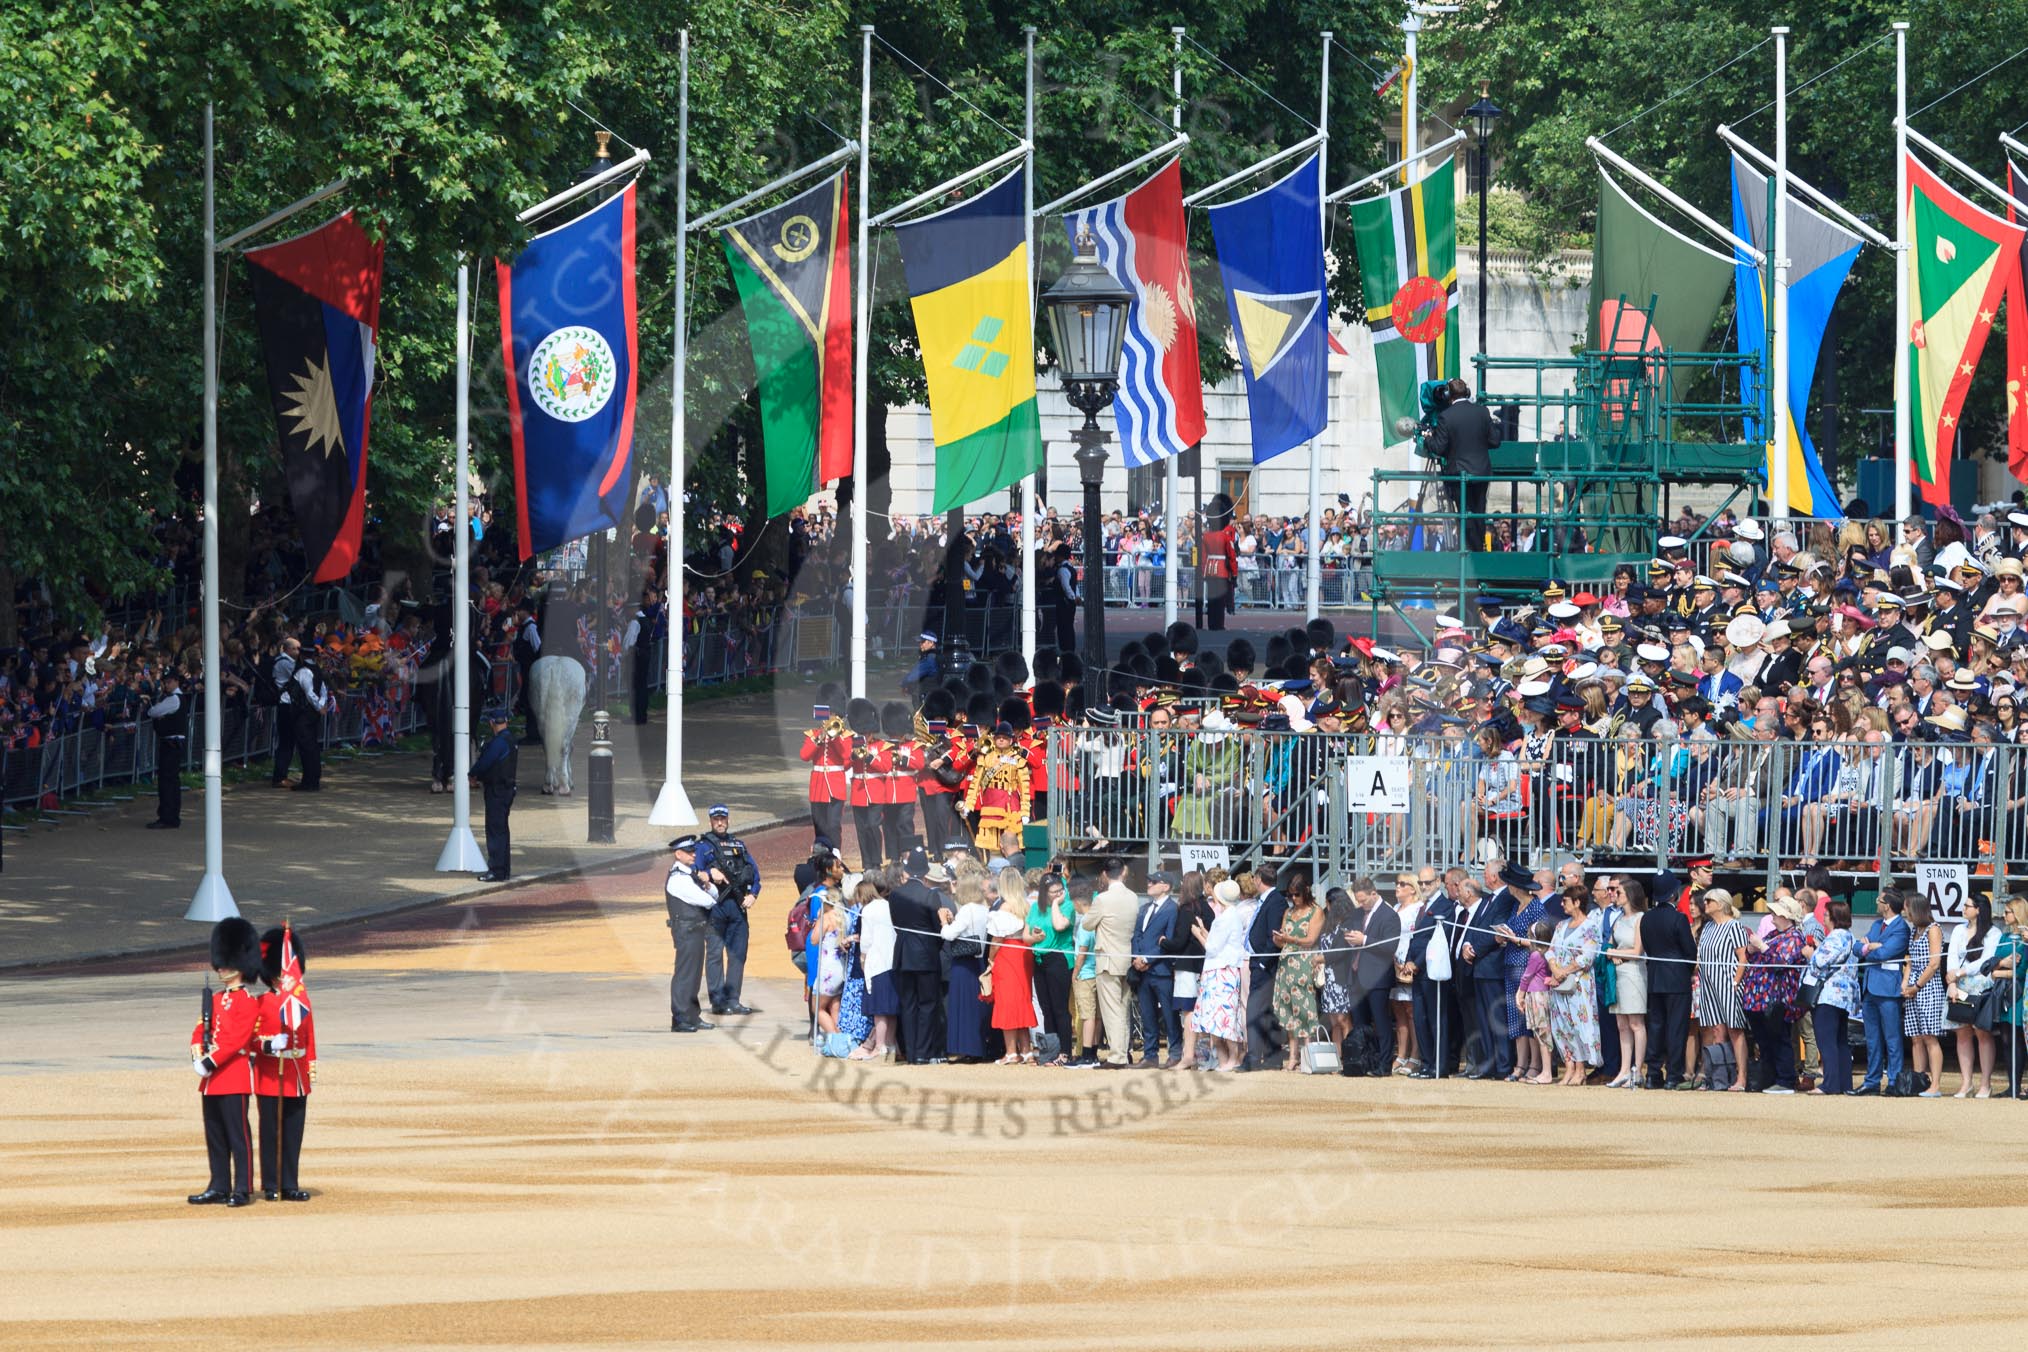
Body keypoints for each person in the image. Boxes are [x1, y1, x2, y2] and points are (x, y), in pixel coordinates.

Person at [188, 917, 265, 1207]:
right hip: (211, 1080)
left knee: (237, 1136)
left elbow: (237, 1040)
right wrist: (197, 1051)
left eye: (225, 960)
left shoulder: (247, 1001)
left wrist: (209, 1062)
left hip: (232, 1075)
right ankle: (218, 1184)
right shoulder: (217, 999)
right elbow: (200, 1029)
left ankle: (241, 1188)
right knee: (216, 1136)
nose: (220, 967)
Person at [253, 926, 315, 1203]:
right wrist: (268, 1045)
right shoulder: (263, 1001)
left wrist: (310, 1065)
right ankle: (270, 1184)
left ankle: (290, 1183)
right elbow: (252, 1039)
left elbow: (310, 1037)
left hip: (296, 1074)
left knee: (293, 1133)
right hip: (271, 1073)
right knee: (270, 1132)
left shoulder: (301, 999)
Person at [694, 804, 761, 1017]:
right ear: (711, 821)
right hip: (715, 907)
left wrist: (753, 895)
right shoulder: (703, 847)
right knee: (714, 954)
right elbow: (693, 871)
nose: (720, 822)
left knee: (738, 955)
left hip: (738, 907)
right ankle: (718, 1001)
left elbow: (755, 874)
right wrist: (707, 871)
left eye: (723, 819)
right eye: (716, 819)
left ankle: (733, 1000)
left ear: (728, 820)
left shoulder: (739, 845)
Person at [1424, 376, 1502, 551]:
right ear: (1467, 393)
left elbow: (1439, 448)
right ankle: (1478, 549)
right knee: (1479, 513)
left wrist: (1427, 439)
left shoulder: (1446, 416)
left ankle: (1469, 552)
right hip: (1481, 472)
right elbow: (1495, 441)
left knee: (1464, 514)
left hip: (1459, 474)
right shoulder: (1482, 412)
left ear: (1448, 395)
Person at [1740, 896, 1809, 1093]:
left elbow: (1782, 961)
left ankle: (1786, 1080)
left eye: (1776, 914)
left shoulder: (1795, 937)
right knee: (1764, 1040)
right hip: (1757, 997)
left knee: (1780, 1039)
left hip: (1778, 998)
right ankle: (1769, 1077)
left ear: (1786, 916)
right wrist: (1752, 949)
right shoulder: (1771, 934)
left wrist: (1761, 947)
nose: (1772, 917)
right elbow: (1756, 956)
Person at [885, 860, 947, 1065]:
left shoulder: (895, 894)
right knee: (928, 1004)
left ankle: (912, 1053)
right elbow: (938, 930)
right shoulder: (930, 895)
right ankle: (923, 1051)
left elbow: (896, 925)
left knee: (908, 1005)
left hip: (903, 955)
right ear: (925, 873)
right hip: (926, 956)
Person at [1639, 882, 1698, 1089]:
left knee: (1655, 1027)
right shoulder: (1679, 918)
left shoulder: (1647, 917)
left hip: (1655, 976)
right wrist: (1686, 972)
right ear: (1673, 894)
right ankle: (1673, 1073)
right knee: (1676, 1028)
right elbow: (1690, 951)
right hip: (1676, 978)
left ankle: (1652, 1074)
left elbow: (1648, 946)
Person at [1192, 879, 1254, 1072]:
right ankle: (1227, 1058)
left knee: (1221, 1018)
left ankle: (1231, 1058)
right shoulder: (1232, 915)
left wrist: (1197, 934)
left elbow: (1211, 947)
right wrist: (1205, 931)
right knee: (1222, 1017)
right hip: (1225, 969)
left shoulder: (1224, 918)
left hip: (1220, 971)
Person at [1081, 859, 1139, 1068]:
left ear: (1105, 874)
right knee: (1123, 1009)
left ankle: (1117, 1056)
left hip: (1107, 960)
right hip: (1126, 958)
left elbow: (1087, 924)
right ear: (1123, 872)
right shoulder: (1133, 897)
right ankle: (1123, 1052)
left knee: (1112, 1011)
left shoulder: (1103, 899)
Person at [1545, 884, 1603, 1086]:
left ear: (1577, 903)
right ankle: (1569, 1067)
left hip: (1579, 984)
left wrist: (1564, 971)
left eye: (1565, 901)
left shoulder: (1591, 926)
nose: (1562, 904)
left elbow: (1587, 956)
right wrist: (1554, 968)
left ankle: (1581, 1069)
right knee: (1562, 1025)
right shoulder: (1561, 925)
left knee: (1579, 1025)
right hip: (1559, 983)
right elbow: (1551, 950)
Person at [1694, 889, 1752, 1092]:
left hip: (1729, 983)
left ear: (1721, 903)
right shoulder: (1708, 927)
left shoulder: (1734, 926)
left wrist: (1736, 982)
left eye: (1709, 900)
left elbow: (1743, 957)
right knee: (1716, 1030)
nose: (1705, 903)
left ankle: (1741, 1077)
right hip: (1709, 984)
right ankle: (1719, 1077)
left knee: (1735, 1029)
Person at [1946, 896, 2003, 1098]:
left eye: (1967, 906)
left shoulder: (1993, 933)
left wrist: (1961, 973)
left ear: (1978, 909)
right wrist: (1951, 982)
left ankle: (1985, 1084)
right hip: (1959, 986)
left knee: (1982, 1033)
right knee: (1962, 1033)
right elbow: (1951, 956)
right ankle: (1966, 1082)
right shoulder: (1958, 930)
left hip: (1981, 985)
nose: (1963, 909)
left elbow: (1987, 960)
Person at [1269, 870, 1325, 1072]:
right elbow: (1283, 936)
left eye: (1297, 894)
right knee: (1288, 1009)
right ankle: (1293, 1056)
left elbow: (1311, 939)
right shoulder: (1289, 912)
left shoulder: (1315, 911)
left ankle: (1308, 1054)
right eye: (1290, 895)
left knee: (1304, 1008)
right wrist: (1279, 940)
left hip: (1303, 961)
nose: (1293, 898)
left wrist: (1291, 940)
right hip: (1286, 962)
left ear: (1306, 892)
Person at [1804, 899, 1860, 1096]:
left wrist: (1811, 953)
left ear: (1834, 918)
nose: (1824, 918)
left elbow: (1819, 962)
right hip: (1844, 996)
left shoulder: (1836, 937)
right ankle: (1843, 1083)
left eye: (1826, 915)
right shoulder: (1850, 937)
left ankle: (1830, 1083)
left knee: (1826, 1040)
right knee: (1840, 1041)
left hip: (1829, 994)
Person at [1858, 889, 1912, 1094]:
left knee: (1892, 1038)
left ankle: (1893, 1081)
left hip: (1888, 988)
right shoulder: (1875, 925)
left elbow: (1885, 953)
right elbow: (1859, 947)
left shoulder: (1901, 928)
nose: (1876, 902)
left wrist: (1870, 947)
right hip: (1871, 986)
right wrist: (1871, 947)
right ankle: (1871, 1082)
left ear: (1887, 905)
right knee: (1872, 1038)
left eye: (1879, 900)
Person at [938, 871, 993, 1064]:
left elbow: (949, 935)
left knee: (963, 1007)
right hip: (977, 961)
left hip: (963, 963)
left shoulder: (968, 909)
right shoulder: (983, 909)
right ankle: (976, 1047)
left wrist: (944, 922)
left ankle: (967, 1047)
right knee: (975, 1007)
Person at [1024, 870, 1077, 1064]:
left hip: (1059, 959)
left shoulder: (1067, 905)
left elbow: (1059, 926)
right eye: (1052, 892)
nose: (1057, 894)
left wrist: (1056, 903)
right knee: (1046, 1008)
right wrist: (1034, 937)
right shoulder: (1035, 909)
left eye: (1059, 890)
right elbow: (1026, 936)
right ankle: (1052, 1051)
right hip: (1040, 959)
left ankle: (1065, 1052)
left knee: (1060, 1008)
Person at [664, 835, 716, 1033]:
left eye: (694, 851)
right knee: (685, 974)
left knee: (694, 975)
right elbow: (707, 901)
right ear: (678, 854)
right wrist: (707, 888)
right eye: (689, 852)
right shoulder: (679, 878)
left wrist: (709, 884)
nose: (694, 854)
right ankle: (681, 1018)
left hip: (695, 929)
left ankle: (692, 1015)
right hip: (686, 930)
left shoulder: (691, 875)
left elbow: (713, 895)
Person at [1131, 871, 1180, 1067]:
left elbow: (1167, 940)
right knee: (1147, 1015)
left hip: (1161, 970)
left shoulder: (1172, 909)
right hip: (1143, 970)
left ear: (1166, 886)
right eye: (1149, 881)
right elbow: (1136, 935)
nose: (1149, 884)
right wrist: (1136, 957)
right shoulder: (1143, 908)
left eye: (1154, 882)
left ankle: (1175, 1052)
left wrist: (1148, 958)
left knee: (1169, 1014)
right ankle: (1150, 1055)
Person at [1605, 879, 1650, 1088]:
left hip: (1634, 973)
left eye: (1619, 891)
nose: (1615, 894)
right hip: (1619, 972)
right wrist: (1612, 954)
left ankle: (1638, 1070)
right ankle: (1624, 1069)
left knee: (1635, 1023)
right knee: (1622, 1024)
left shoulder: (1640, 918)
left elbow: (1637, 951)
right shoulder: (1619, 919)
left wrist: (1616, 953)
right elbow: (1610, 945)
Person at [1902, 892, 1948, 1097]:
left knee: (1930, 1037)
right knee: (1915, 1037)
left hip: (1928, 987)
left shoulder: (1933, 929)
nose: (1905, 912)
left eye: (1907, 908)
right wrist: (1906, 983)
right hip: (1913, 985)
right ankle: (1919, 1080)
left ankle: (1935, 1084)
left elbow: (1934, 963)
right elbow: (1909, 961)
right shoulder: (1915, 930)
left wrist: (1917, 986)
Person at [468, 705, 518, 882]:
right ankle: (504, 869)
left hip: (497, 791)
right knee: (502, 830)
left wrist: (472, 774)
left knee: (495, 831)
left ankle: (496, 870)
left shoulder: (498, 743)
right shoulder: (511, 740)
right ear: (506, 721)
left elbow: (484, 763)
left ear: (491, 723)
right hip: (507, 789)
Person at [142, 669, 187, 830]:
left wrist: (158, 715)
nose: (166, 685)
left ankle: (167, 816)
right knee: (172, 781)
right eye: (165, 682)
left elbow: (153, 712)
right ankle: (172, 816)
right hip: (173, 744)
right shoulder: (176, 698)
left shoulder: (174, 699)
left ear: (176, 682)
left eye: (169, 682)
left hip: (171, 744)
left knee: (167, 781)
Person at [1517, 921, 1556, 1083]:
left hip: (1537, 995)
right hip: (1541, 994)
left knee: (1542, 1034)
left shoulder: (1536, 955)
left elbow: (1527, 976)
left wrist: (1520, 993)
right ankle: (1545, 1070)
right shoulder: (1548, 953)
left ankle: (1546, 1072)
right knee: (1541, 1034)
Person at [269, 636, 301, 785]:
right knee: (286, 742)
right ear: (286, 649)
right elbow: (301, 677)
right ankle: (279, 776)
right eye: (294, 649)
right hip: (285, 704)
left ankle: (282, 774)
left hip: (289, 704)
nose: (297, 652)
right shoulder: (285, 663)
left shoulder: (290, 662)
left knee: (288, 741)